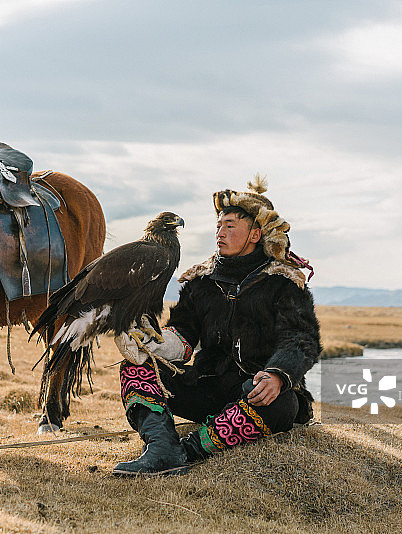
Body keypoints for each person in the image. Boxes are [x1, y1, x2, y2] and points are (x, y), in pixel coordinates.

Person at [112, 175, 321, 476]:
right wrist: (153, 344)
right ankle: (161, 448)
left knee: (281, 404)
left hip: (255, 391)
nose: (220, 233)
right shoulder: (201, 282)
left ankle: (187, 451)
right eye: (218, 226)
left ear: (255, 234)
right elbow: (183, 332)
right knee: (136, 367)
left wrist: (277, 375)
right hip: (208, 387)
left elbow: (300, 339)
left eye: (230, 226)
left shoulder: (284, 283)